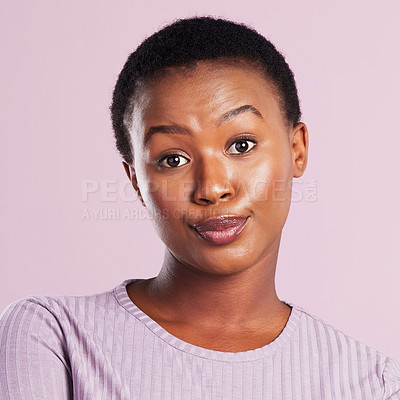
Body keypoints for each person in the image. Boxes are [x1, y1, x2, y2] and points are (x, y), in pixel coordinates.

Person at [0, 16, 399, 400]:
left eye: (241, 145)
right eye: (173, 159)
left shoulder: (371, 384)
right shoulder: (54, 337)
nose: (212, 188)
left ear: (297, 150)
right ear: (137, 180)